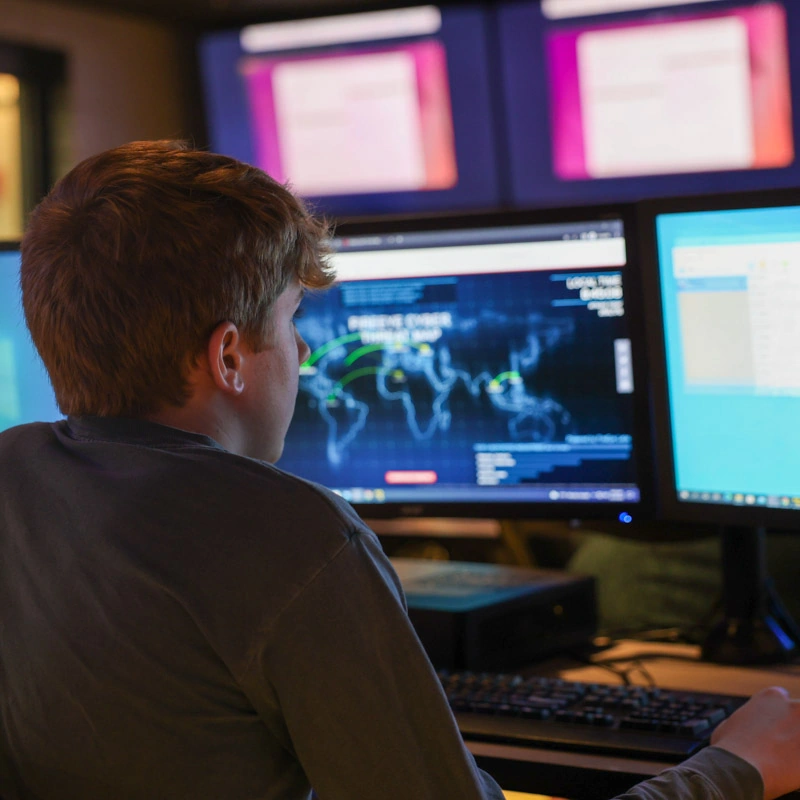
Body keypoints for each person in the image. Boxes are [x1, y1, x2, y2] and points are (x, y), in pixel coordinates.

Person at [0, 140, 799, 800]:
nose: (307, 353)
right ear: (230, 356)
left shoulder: (16, 475)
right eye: (291, 320)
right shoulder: (291, 537)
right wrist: (733, 770)